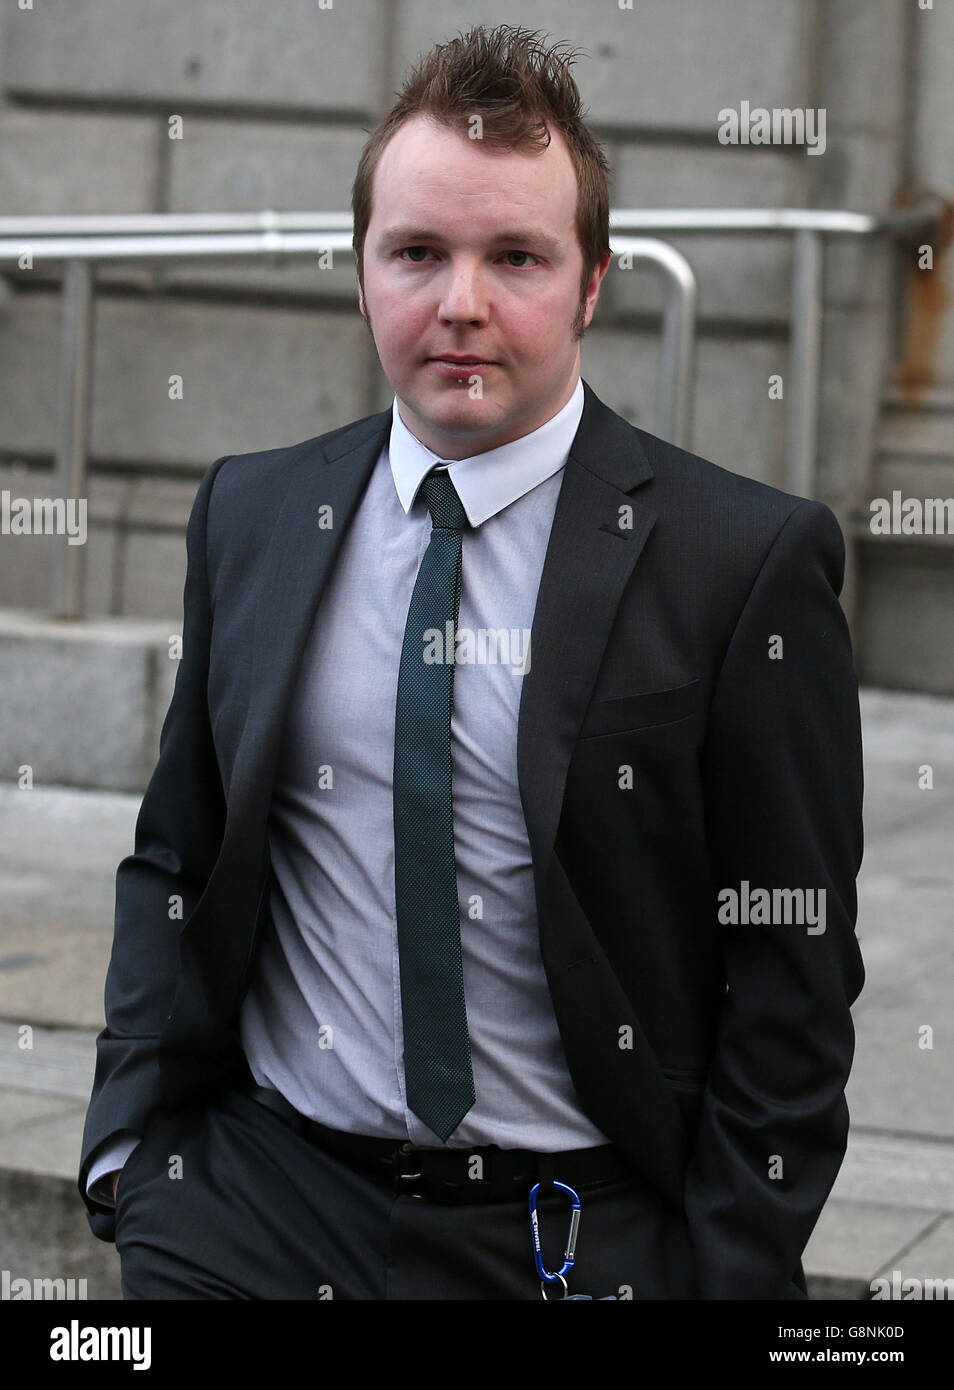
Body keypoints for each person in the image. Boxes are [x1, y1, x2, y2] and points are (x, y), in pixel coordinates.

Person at [77, 24, 864, 1300]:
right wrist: (129, 1156)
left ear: (593, 280)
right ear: (362, 272)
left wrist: (729, 1265)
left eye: (517, 257)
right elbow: (179, 849)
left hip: (568, 1231)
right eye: (418, 254)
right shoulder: (254, 514)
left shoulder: (743, 561)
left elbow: (793, 961)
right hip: (258, 1213)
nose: (462, 304)